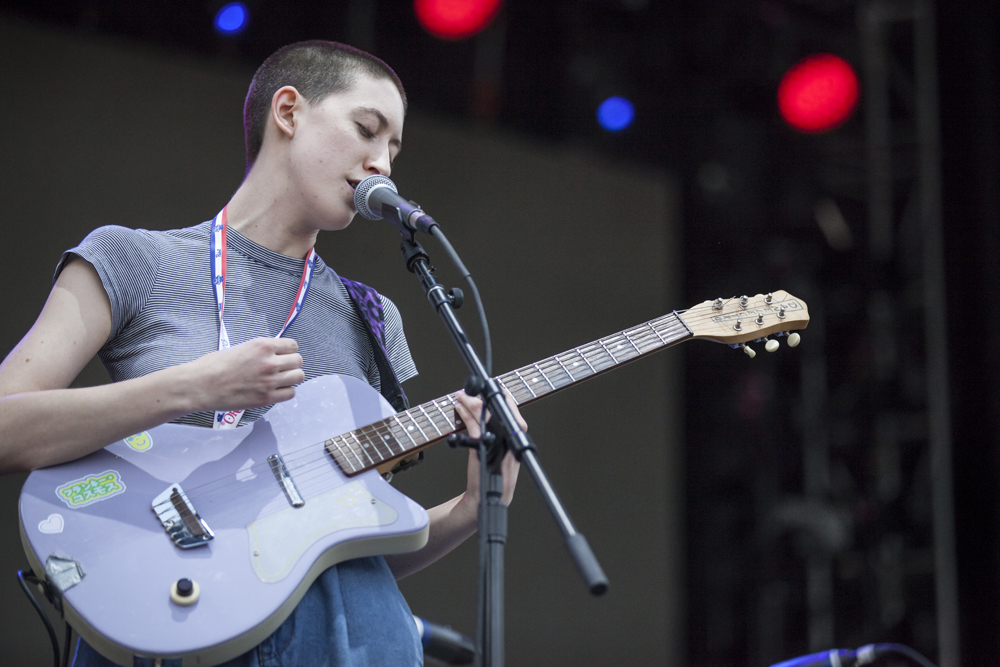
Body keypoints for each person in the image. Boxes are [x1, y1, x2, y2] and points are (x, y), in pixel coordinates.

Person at [0, 40, 523, 666]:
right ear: (288, 112)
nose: (382, 162)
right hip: (158, 630)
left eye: (394, 149)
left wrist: (470, 510)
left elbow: (338, 553)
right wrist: (195, 387)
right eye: (367, 130)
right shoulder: (132, 259)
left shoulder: (373, 318)